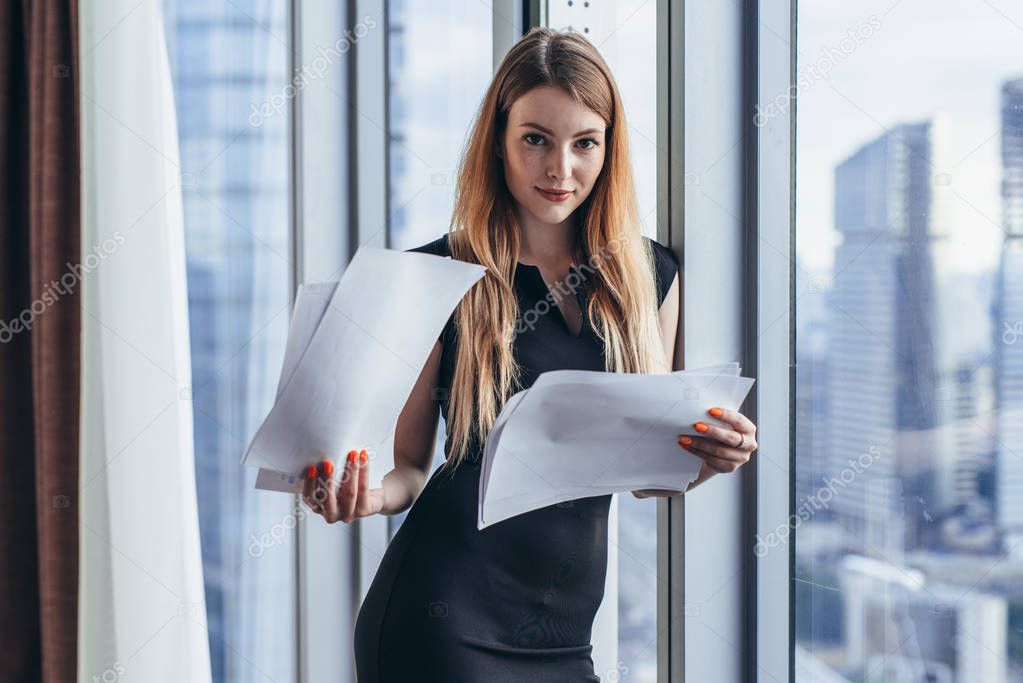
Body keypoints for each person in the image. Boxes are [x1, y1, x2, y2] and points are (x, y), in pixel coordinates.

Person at [299, 26, 758, 682]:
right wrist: (364, 497)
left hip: (566, 641)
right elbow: (407, 465)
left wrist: (714, 459)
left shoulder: (649, 274)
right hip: (441, 627)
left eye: (584, 143)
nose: (558, 169)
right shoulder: (440, 274)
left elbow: (644, 472)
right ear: (499, 140)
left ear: (609, 147)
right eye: (535, 139)